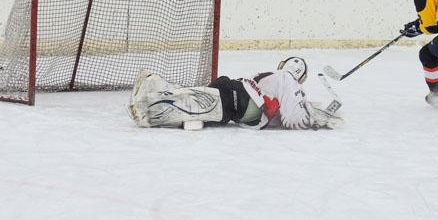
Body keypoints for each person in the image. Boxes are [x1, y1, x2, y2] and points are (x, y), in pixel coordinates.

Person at [127, 56, 343, 130]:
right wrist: (316, 118)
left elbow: (287, 107)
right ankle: (150, 90)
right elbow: (293, 118)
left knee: (192, 108)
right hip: (232, 102)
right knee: (190, 107)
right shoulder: (289, 81)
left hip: (231, 94)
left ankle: (152, 84)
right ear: (301, 77)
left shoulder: (277, 77)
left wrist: (312, 109)